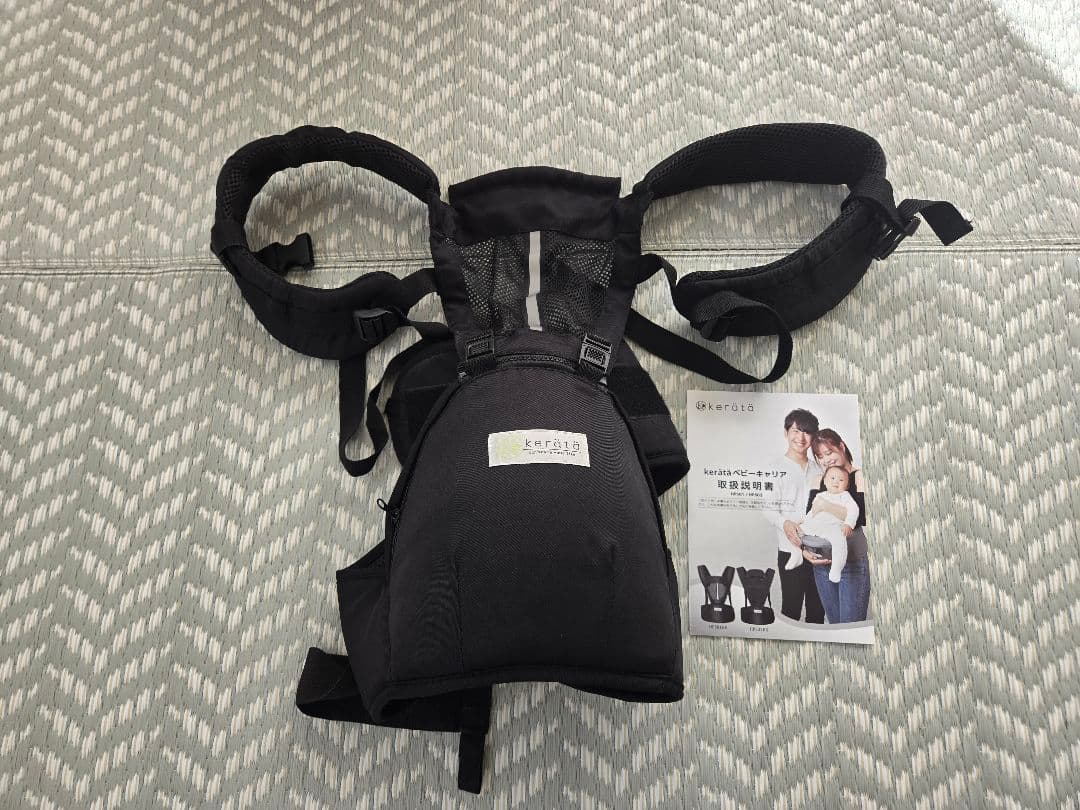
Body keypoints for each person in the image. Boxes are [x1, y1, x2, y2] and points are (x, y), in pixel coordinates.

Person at [799, 429, 871, 623]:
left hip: (852, 564)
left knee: (849, 627)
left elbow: (861, 517)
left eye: (829, 452)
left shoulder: (858, 476)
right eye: (820, 456)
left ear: (841, 446)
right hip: (821, 564)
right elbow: (810, 518)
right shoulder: (818, 480)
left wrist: (825, 506)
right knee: (834, 625)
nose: (826, 460)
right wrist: (803, 550)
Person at [766, 409, 824, 623]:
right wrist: (785, 523)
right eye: (796, 431)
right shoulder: (774, 469)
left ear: (813, 437)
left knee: (817, 609)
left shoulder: (820, 469)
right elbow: (768, 508)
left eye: (807, 432)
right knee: (791, 608)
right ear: (786, 433)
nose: (801, 437)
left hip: (818, 548)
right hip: (789, 549)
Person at [786, 466, 859, 583]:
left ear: (846, 485)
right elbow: (812, 512)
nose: (836, 482)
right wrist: (803, 520)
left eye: (841, 480)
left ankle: (836, 568)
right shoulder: (820, 496)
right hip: (815, 524)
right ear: (825, 481)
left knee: (839, 541)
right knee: (794, 531)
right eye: (832, 478)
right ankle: (796, 553)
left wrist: (849, 524)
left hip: (833, 526)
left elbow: (853, 510)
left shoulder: (845, 496)